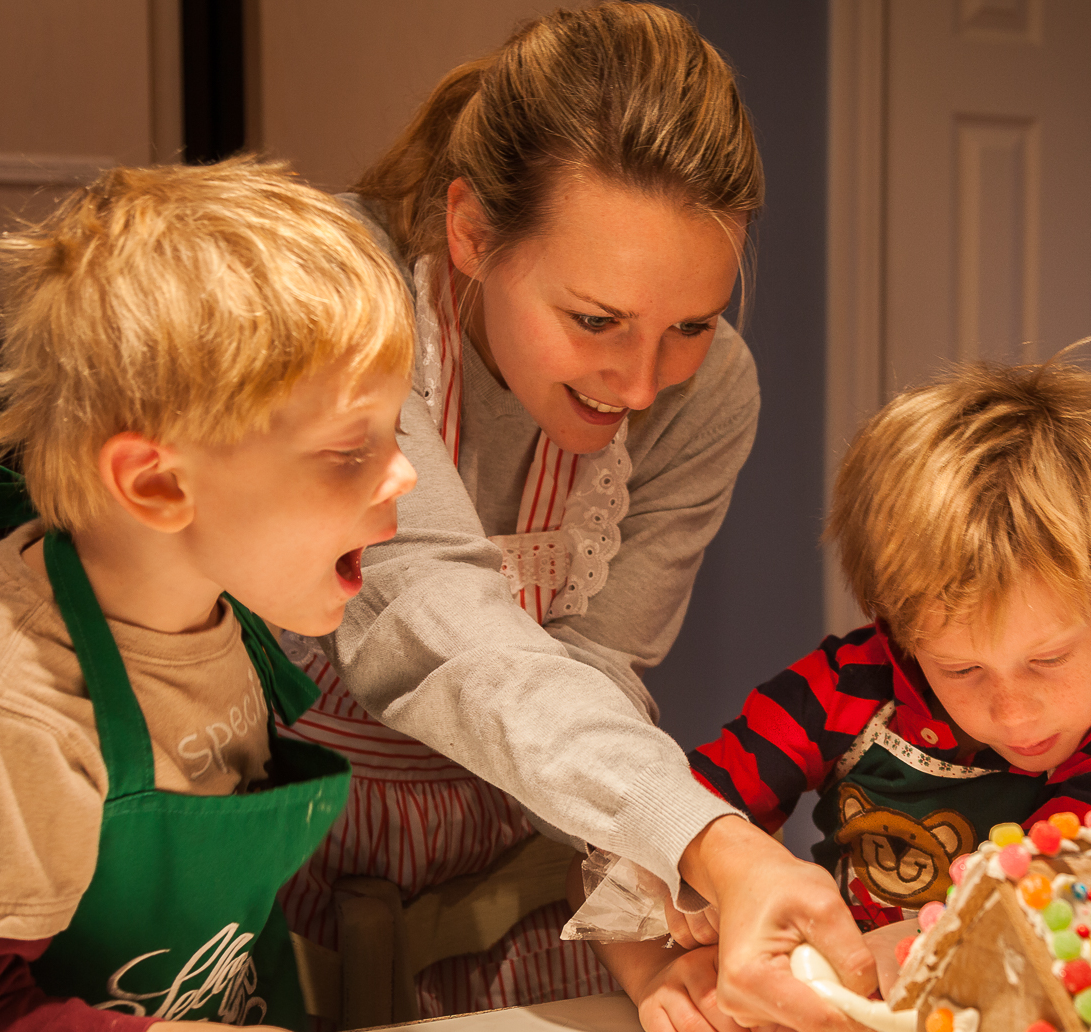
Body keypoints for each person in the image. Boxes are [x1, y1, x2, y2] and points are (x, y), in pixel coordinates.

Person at [271, 2, 871, 1026]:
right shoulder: (342, 308)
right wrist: (711, 839)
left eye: (689, 324)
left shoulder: (711, 393)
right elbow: (429, 618)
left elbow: (593, 668)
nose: (640, 385)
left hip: (512, 863)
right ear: (470, 232)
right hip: (280, 846)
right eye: (595, 320)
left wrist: (645, 902)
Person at [0, 159, 418, 1032]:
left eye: (396, 431)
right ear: (156, 486)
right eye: (349, 450)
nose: (404, 473)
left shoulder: (214, 603)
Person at [593, 355, 1091, 1030]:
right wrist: (658, 972)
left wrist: (885, 954)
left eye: (1048, 658)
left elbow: (1039, 886)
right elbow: (646, 843)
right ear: (896, 630)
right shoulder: (842, 688)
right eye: (961, 670)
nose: (1011, 711)